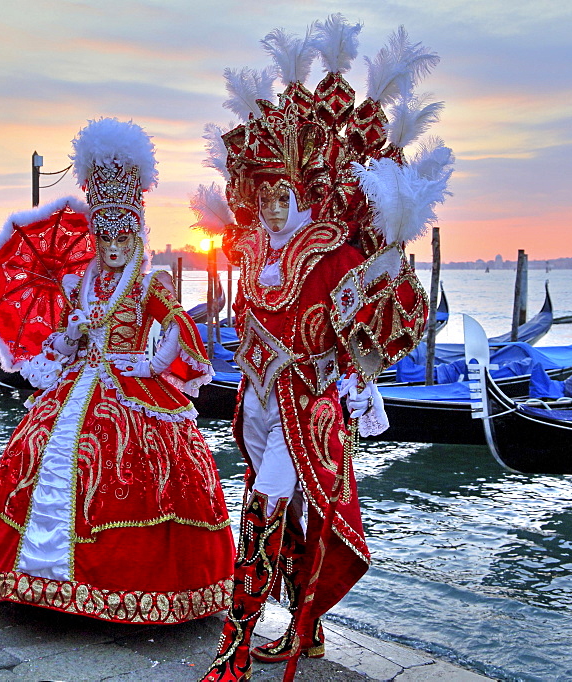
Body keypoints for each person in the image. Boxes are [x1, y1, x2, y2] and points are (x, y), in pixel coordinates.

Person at [202, 19, 448, 681]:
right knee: (289, 514)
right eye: (265, 196)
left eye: (286, 195)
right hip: (258, 404)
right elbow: (252, 322)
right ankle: (306, 632)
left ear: (303, 193)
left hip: (307, 409)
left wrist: (362, 341)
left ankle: (235, 648)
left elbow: (392, 318)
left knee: (260, 513)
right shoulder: (251, 252)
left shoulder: (335, 252)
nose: (275, 207)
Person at [0, 118, 235, 624]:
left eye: (120, 237)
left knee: (136, 473)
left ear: (134, 236)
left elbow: (181, 331)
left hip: (131, 390)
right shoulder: (75, 285)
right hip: (77, 385)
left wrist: (150, 363)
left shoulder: (149, 284)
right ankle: (38, 579)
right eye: (103, 237)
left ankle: (131, 586)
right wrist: (75, 332)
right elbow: (60, 343)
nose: (111, 247)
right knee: (41, 456)